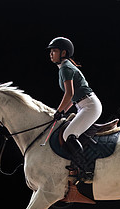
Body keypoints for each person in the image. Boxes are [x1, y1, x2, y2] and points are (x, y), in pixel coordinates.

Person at [47, 37, 102, 179]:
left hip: (89, 106)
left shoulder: (65, 68)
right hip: (83, 105)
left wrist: (59, 111)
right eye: (51, 51)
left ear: (64, 53)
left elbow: (69, 93)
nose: (51, 54)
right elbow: (72, 98)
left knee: (68, 135)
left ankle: (87, 170)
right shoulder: (63, 67)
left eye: (54, 51)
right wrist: (62, 112)